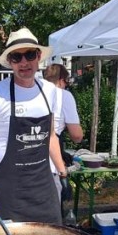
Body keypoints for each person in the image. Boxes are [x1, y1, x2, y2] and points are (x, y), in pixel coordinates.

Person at [0, 27, 72, 226]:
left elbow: (50, 136)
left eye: (29, 54)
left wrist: (63, 174)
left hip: (44, 190)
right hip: (8, 192)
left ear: (38, 56)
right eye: (16, 57)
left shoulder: (50, 91)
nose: (24, 62)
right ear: (10, 62)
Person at [43, 63, 84, 202]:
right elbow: (76, 135)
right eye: (66, 82)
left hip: (26, 160)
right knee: (52, 211)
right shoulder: (64, 95)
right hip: (50, 160)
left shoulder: (33, 92)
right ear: (61, 80)